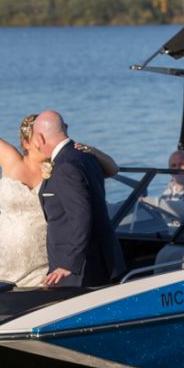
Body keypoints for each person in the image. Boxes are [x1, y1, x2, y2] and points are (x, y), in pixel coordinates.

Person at [0, 74, 119, 287]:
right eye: (32, 139)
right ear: (27, 142)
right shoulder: (10, 160)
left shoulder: (61, 165)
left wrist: (94, 151)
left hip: (44, 255)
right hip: (8, 252)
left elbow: (109, 172)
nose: (38, 143)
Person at [32, 110, 126, 287]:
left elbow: (81, 215)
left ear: (41, 138)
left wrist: (70, 264)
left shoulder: (65, 166)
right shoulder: (86, 156)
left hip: (81, 269)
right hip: (97, 258)